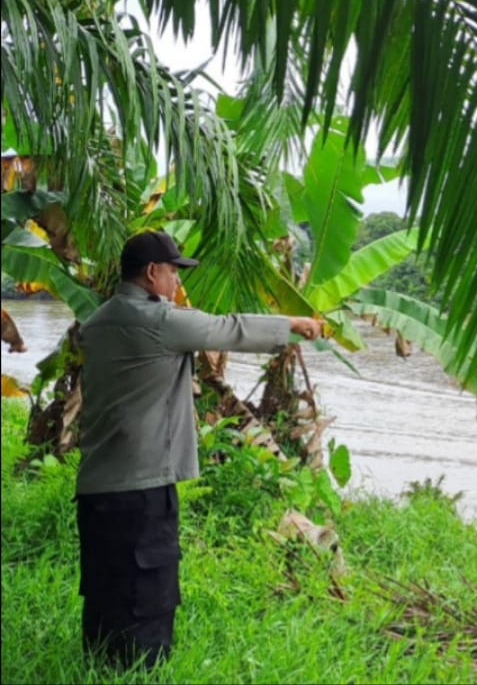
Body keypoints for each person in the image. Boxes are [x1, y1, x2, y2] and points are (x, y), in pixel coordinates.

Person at [74, 230, 323, 669]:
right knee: (147, 588)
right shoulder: (157, 322)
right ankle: (140, 672)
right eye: (172, 272)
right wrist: (292, 326)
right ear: (152, 273)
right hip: (142, 486)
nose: (175, 283)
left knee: (105, 583)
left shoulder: (97, 323)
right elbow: (225, 328)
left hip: (97, 484)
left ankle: (99, 666)